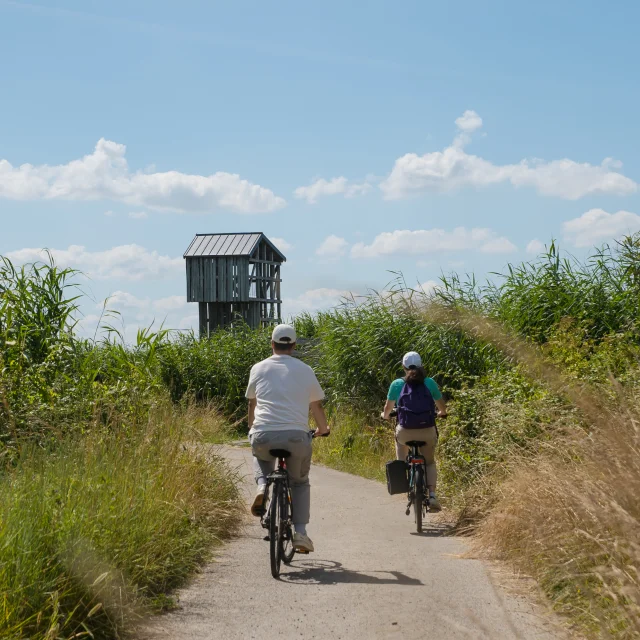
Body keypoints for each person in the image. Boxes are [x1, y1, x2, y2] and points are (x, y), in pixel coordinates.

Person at [246, 323, 329, 553]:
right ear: (293, 346)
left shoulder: (258, 368)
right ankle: (300, 533)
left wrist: (253, 428)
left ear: (272, 344)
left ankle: (262, 487)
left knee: (260, 456)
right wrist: (323, 429)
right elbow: (316, 405)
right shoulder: (305, 369)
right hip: (296, 437)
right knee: (299, 482)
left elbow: (252, 403)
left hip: (263, 433)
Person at [381, 351, 447, 511]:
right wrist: (442, 413)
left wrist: (385, 416)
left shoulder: (397, 384)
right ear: (421, 366)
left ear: (403, 366)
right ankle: (432, 496)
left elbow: (387, 409)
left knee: (400, 445)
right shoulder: (429, 383)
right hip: (427, 431)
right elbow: (441, 406)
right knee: (429, 462)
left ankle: (403, 472)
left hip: (405, 432)